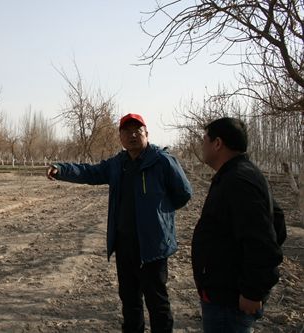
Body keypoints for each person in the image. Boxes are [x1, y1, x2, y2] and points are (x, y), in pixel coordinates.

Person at [46, 113, 192, 333]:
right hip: (125, 246)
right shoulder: (118, 164)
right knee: (130, 302)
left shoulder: (162, 161)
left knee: (157, 303)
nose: (132, 135)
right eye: (127, 131)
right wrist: (62, 170)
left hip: (153, 246)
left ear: (147, 134)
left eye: (137, 131)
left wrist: (160, 216)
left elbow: (183, 193)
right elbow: (90, 172)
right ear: (121, 137)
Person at [192, 117, 286, 332]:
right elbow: (277, 221)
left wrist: (252, 291)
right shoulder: (239, 173)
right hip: (223, 292)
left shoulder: (237, 181)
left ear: (217, 143)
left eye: (205, 139)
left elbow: (263, 241)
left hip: (229, 300)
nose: (202, 145)